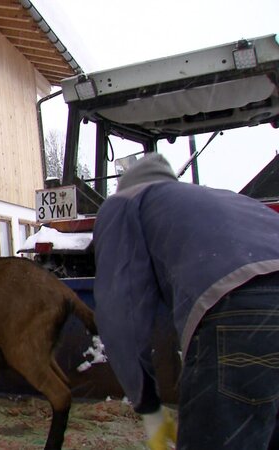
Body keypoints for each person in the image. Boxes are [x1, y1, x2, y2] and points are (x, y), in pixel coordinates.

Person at [93, 153, 279, 450]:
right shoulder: (226, 200)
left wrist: (147, 404)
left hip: (242, 311)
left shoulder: (125, 202)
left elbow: (121, 310)